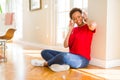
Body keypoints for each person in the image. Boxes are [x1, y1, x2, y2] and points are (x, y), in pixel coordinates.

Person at [31, 8, 96, 72]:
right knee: (45, 52)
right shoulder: (74, 30)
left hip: (82, 60)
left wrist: (86, 18)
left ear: (82, 16)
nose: (77, 19)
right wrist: (70, 29)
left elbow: (93, 25)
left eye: (79, 17)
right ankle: (61, 65)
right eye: (74, 18)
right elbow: (65, 45)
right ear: (72, 20)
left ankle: (46, 64)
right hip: (71, 56)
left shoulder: (88, 27)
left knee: (64, 56)